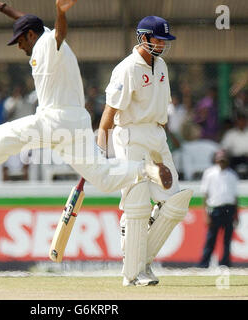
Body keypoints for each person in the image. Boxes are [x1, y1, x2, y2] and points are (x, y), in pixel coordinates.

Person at [0, 0, 172, 212]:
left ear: (31, 36)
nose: (19, 46)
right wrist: (3, 8)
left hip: (54, 119)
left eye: (19, 40)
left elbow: (59, 33)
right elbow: (30, 22)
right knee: (104, 178)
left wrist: (61, 12)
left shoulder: (47, 42)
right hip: (75, 123)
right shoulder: (40, 36)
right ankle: (146, 169)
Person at [97, 16, 193, 286]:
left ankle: (141, 261)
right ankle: (133, 273)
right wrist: (99, 150)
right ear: (144, 38)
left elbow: (162, 108)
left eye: (164, 40)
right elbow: (110, 111)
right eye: (158, 39)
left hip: (156, 135)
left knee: (173, 203)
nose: (162, 44)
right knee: (137, 202)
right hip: (130, 135)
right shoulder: (126, 69)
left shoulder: (160, 64)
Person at [198, 150, 239, 268]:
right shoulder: (209, 173)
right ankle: (204, 263)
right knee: (211, 238)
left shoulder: (232, 175)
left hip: (229, 209)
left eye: (224, 160)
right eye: (220, 159)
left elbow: (235, 196)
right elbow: (205, 195)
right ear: (216, 160)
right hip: (215, 209)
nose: (222, 162)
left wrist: (236, 214)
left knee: (227, 240)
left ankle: (226, 263)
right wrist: (205, 214)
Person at [221, 113, 248, 179]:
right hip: (234, 158)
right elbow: (224, 148)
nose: (241, 122)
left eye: (243, 120)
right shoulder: (230, 134)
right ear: (236, 122)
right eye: (240, 120)